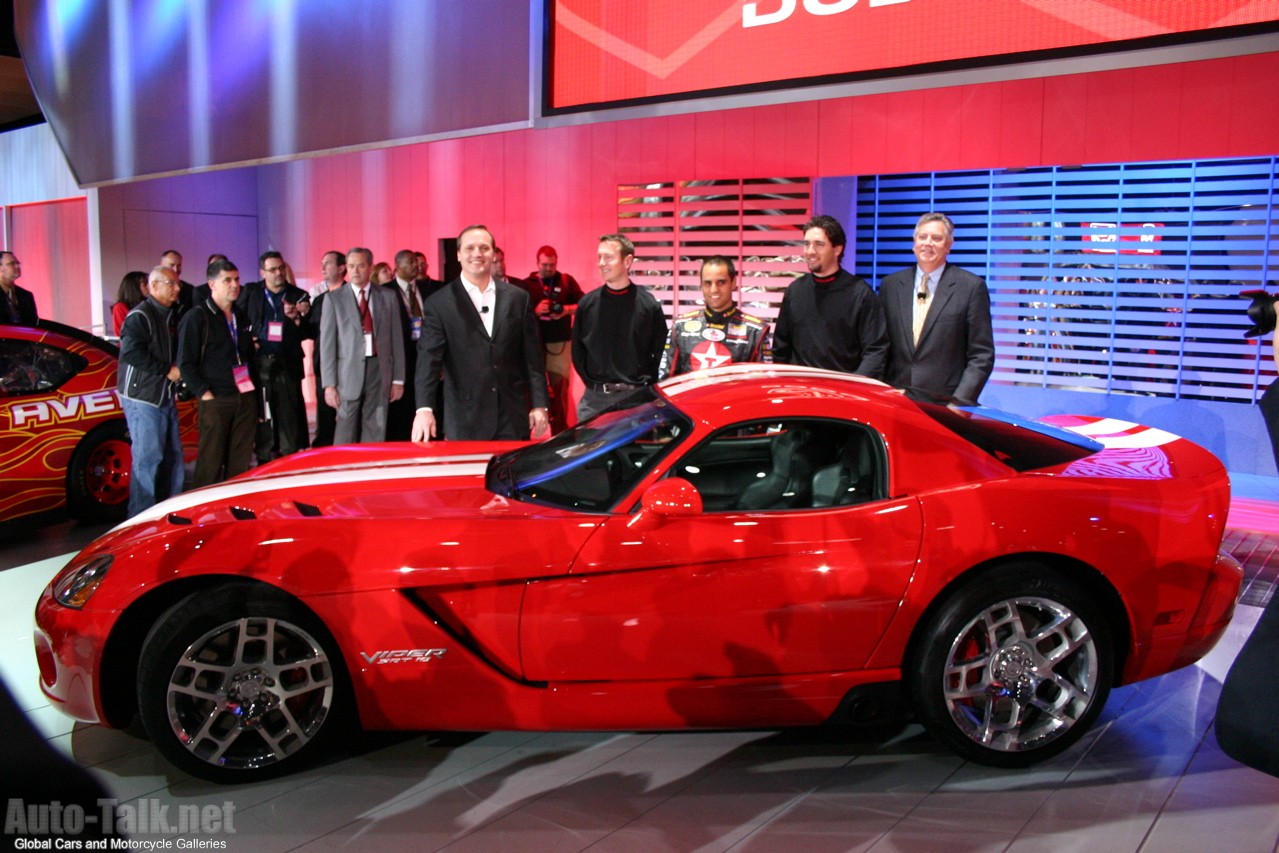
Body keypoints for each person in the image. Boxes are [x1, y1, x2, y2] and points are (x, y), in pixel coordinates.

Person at [411, 224, 549, 442]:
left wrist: (540, 404)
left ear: (493, 254)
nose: (477, 254)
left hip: (512, 416)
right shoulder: (439, 304)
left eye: (484, 248)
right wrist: (424, 409)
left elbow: (533, 358)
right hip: (465, 417)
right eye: (470, 248)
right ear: (458, 254)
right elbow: (428, 360)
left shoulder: (518, 298)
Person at [879, 212, 994, 405]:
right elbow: (880, 345)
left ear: (948, 245)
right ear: (914, 243)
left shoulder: (971, 287)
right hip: (896, 399)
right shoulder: (890, 285)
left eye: (936, 238)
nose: (928, 243)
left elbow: (981, 354)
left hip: (945, 405)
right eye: (922, 237)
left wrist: (960, 402)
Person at [772, 214, 887, 377]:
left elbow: (875, 350)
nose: (810, 251)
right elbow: (781, 349)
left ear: (837, 249)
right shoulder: (795, 291)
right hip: (799, 391)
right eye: (806, 244)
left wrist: (855, 387)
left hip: (844, 393)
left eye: (819, 245)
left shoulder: (860, 293)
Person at [177, 259, 258, 487]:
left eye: (237, 279)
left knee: (240, 463)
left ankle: (234, 511)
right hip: (216, 398)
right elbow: (185, 363)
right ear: (212, 284)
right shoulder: (197, 317)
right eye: (227, 280)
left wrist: (255, 398)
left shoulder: (240, 316)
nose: (234, 285)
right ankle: (204, 515)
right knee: (210, 463)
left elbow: (248, 357)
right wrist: (205, 393)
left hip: (244, 396)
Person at [571, 233, 667, 422]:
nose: (601, 263)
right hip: (594, 401)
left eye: (608, 257)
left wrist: (645, 385)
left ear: (627, 261)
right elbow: (577, 352)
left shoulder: (648, 305)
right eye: (599, 257)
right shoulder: (587, 304)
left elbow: (660, 350)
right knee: (591, 452)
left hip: (636, 400)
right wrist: (593, 384)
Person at [117, 266, 185, 515]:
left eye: (177, 283)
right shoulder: (140, 316)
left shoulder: (170, 315)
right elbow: (131, 353)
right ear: (154, 286)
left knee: (172, 456)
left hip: (163, 394)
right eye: (171, 283)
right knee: (148, 458)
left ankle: (169, 511)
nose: (177, 288)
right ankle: (140, 517)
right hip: (142, 397)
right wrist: (166, 369)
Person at [320, 248, 405, 444]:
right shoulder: (333, 299)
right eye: (351, 266)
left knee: (376, 424)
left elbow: (396, 340)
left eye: (360, 265)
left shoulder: (388, 296)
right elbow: (327, 346)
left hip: (379, 368)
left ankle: (372, 467)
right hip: (347, 372)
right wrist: (329, 385)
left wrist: (398, 379)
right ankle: (342, 470)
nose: (355, 271)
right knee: (345, 428)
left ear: (370, 267)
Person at [238, 250, 312, 459]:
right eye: (273, 270)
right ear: (263, 272)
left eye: (281, 268)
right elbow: (239, 319)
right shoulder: (252, 292)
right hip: (260, 362)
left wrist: (298, 318)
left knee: (288, 416)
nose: (278, 272)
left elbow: (310, 331)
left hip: (287, 363)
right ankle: (264, 456)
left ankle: (289, 457)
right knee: (263, 414)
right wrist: (248, 338)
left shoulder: (298, 295)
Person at [660, 255, 769, 378]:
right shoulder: (680, 327)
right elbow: (666, 381)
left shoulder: (756, 331)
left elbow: (763, 384)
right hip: (691, 397)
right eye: (707, 283)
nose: (714, 290)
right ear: (701, 285)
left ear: (733, 283)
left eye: (721, 282)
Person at [523, 245, 583, 432]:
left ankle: (560, 432)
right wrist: (535, 311)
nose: (548, 268)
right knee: (532, 389)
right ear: (537, 263)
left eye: (552, 264)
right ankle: (529, 431)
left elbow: (584, 305)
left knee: (560, 391)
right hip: (534, 345)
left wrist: (565, 310)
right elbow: (517, 316)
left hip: (560, 343)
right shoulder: (527, 285)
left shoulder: (566, 281)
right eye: (545, 264)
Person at [384, 249, 435, 441]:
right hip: (400, 357)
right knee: (401, 410)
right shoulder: (385, 291)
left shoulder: (429, 289)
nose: (416, 265)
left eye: (416, 261)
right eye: (410, 262)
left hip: (425, 354)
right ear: (397, 266)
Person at [308, 250, 347, 446]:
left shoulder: (353, 295)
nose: (323, 267)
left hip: (348, 364)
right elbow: (312, 331)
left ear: (341, 268)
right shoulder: (320, 300)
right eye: (322, 263)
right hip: (324, 365)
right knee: (324, 414)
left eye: (328, 263)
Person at [0, 251, 38, 325]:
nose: (17, 266)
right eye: (11, 264)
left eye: (17, 263)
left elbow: (33, 325)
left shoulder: (26, 295)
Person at [110, 270, 148, 337]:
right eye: (145, 284)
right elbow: (120, 335)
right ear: (134, 287)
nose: (149, 287)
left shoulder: (148, 304)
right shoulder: (120, 307)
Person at [160, 249, 196, 314]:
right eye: (172, 265)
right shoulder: (154, 288)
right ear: (162, 265)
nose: (176, 269)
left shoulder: (189, 290)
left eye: (179, 265)